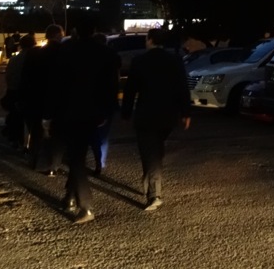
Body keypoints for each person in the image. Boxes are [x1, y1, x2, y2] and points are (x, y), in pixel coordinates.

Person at [46, 20, 119, 224]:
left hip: (68, 110)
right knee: (78, 153)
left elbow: (55, 84)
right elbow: (111, 86)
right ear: (94, 30)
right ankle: (70, 197)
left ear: (76, 31)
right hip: (94, 112)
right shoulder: (106, 53)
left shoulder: (66, 50)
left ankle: (85, 205)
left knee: (76, 157)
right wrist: (107, 110)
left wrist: (49, 113)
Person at [121, 28, 191, 212]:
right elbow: (182, 87)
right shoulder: (174, 60)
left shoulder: (139, 61)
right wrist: (186, 112)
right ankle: (152, 185)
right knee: (156, 150)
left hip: (147, 113)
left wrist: (126, 113)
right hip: (168, 113)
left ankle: (154, 194)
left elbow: (130, 90)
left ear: (150, 40)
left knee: (150, 152)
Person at [20, 24, 66, 173]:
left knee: (36, 132)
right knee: (56, 135)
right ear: (58, 35)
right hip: (57, 100)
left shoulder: (34, 53)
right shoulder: (64, 52)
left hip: (35, 99)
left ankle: (34, 161)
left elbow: (25, 77)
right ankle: (53, 165)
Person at [89, 32, 121, 175]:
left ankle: (94, 159)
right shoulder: (113, 55)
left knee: (90, 131)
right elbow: (116, 78)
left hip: (91, 99)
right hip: (108, 99)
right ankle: (99, 162)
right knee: (103, 133)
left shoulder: (89, 56)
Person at [2, 33, 35, 150]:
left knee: (16, 117)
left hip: (14, 91)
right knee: (29, 120)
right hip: (28, 93)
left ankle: (15, 139)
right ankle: (28, 144)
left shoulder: (14, 59)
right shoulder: (33, 59)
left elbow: (8, 76)